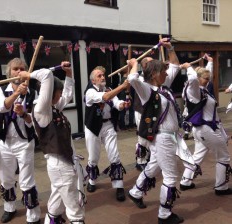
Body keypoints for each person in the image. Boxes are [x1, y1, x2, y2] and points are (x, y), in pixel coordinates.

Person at [19, 61, 86, 224]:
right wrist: (29, 75)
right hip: (60, 164)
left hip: (63, 162)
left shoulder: (54, 108)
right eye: (58, 91)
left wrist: (68, 74)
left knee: (56, 205)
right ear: (49, 92)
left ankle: (52, 219)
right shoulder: (42, 111)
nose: (61, 94)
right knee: (75, 210)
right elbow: (46, 75)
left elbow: (68, 95)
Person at [127, 42, 185, 223]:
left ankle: (136, 192)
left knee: (154, 165)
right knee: (171, 176)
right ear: (154, 74)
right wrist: (134, 63)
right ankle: (164, 215)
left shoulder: (163, 86)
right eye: (163, 71)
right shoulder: (147, 90)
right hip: (162, 138)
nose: (167, 73)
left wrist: (170, 48)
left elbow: (174, 65)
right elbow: (132, 80)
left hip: (169, 137)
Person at [0, 58, 40, 224]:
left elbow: (34, 121)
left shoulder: (34, 93)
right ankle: (9, 208)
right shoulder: (0, 90)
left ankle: (33, 215)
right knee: (6, 178)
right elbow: (1, 107)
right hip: (5, 142)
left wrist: (23, 114)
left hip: (24, 143)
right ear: (9, 72)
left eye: (22, 68)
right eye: (15, 69)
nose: (19, 71)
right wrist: (16, 94)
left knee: (27, 180)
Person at [179, 62, 232, 195]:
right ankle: (221, 187)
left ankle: (185, 182)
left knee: (197, 156)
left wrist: (210, 62)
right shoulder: (194, 90)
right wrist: (187, 67)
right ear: (197, 78)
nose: (208, 81)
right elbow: (192, 78)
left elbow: (202, 75)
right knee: (223, 157)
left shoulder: (202, 90)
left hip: (202, 130)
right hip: (206, 129)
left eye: (209, 79)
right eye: (206, 79)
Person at [84, 65, 130, 201]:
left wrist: (123, 105)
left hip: (108, 125)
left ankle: (119, 185)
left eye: (103, 75)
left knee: (114, 155)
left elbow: (116, 103)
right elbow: (105, 97)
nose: (103, 77)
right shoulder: (90, 93)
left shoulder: (109, 90)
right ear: (93, 81)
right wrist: (122, 86)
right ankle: (92, 181)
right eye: (99, 76)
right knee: (93, 157)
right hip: (93, 127)